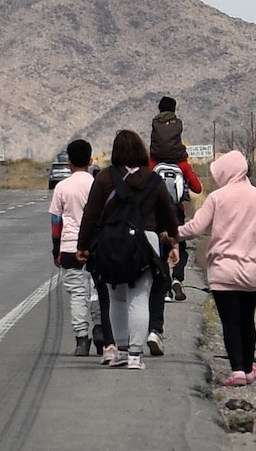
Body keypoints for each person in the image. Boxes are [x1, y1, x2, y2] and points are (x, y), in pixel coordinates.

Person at [77, 130, 180, 370]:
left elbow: (91, 215)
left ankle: (120, 350)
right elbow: (169, 215)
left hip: (112, 243)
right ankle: (135, 354)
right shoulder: (153, 180)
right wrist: (173, 242)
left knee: (117, 298)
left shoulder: (104, 178)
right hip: (146, 242)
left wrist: (83, 246)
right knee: (139, 298)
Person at [176, 150, 256, 386]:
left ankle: (237, 371)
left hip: (224, 270)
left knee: (230, 321)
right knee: (247, 320)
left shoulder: (217, 198)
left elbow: (195, 228)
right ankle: (247, 367)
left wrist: (173, 234)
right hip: (252, 271)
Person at [146, 96, 204, 356]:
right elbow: (198, 187)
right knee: (179, 244)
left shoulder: (152, 161)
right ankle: (179, 277)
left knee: (160, 247)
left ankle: (166, 284)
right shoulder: (181, 161)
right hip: (177, 212)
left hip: (156, 214)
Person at [49, 139, 106, 357]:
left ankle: (82, 339)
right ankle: (100, 329)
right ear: (91, 160)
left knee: (77, 294)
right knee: (97, 291)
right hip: (95, 247)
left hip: (70, 247)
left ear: (69, 162)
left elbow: (56, 222)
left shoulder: (62, 187)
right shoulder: (98, 184)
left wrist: (57, 250)